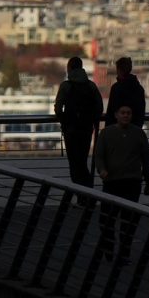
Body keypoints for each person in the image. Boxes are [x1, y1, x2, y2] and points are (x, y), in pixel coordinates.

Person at [95, 104, 149, 263]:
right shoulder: (106, 133)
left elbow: (146, 159)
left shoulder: (139, 134)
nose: (126, 115)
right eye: (123, 113)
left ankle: (124, 253)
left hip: (132, 182)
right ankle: (109, 249)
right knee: (106, 220)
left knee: (128, 222)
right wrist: (101, 170)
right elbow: (98, 156)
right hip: (111, 182)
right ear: (116, 115)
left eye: (128, 113)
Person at [54, 57, 104, 200]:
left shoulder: (66, 86)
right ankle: (88, 195)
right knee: (82, 162)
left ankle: (83, 197)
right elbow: (99, 107)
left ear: (69, 68)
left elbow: (58, 107)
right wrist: (92, 121)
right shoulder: (91, 86)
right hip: (86, 129)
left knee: (74, 165)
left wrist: (64, 121)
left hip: (70, 130)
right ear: (82, 68)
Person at [103, 56, 146, 127]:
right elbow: (140, 113)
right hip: (133, 130)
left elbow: (111, 112)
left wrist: (108, 131)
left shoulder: (116, 88)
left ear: (119, 70)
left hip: (117, 131)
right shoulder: (139, 88)